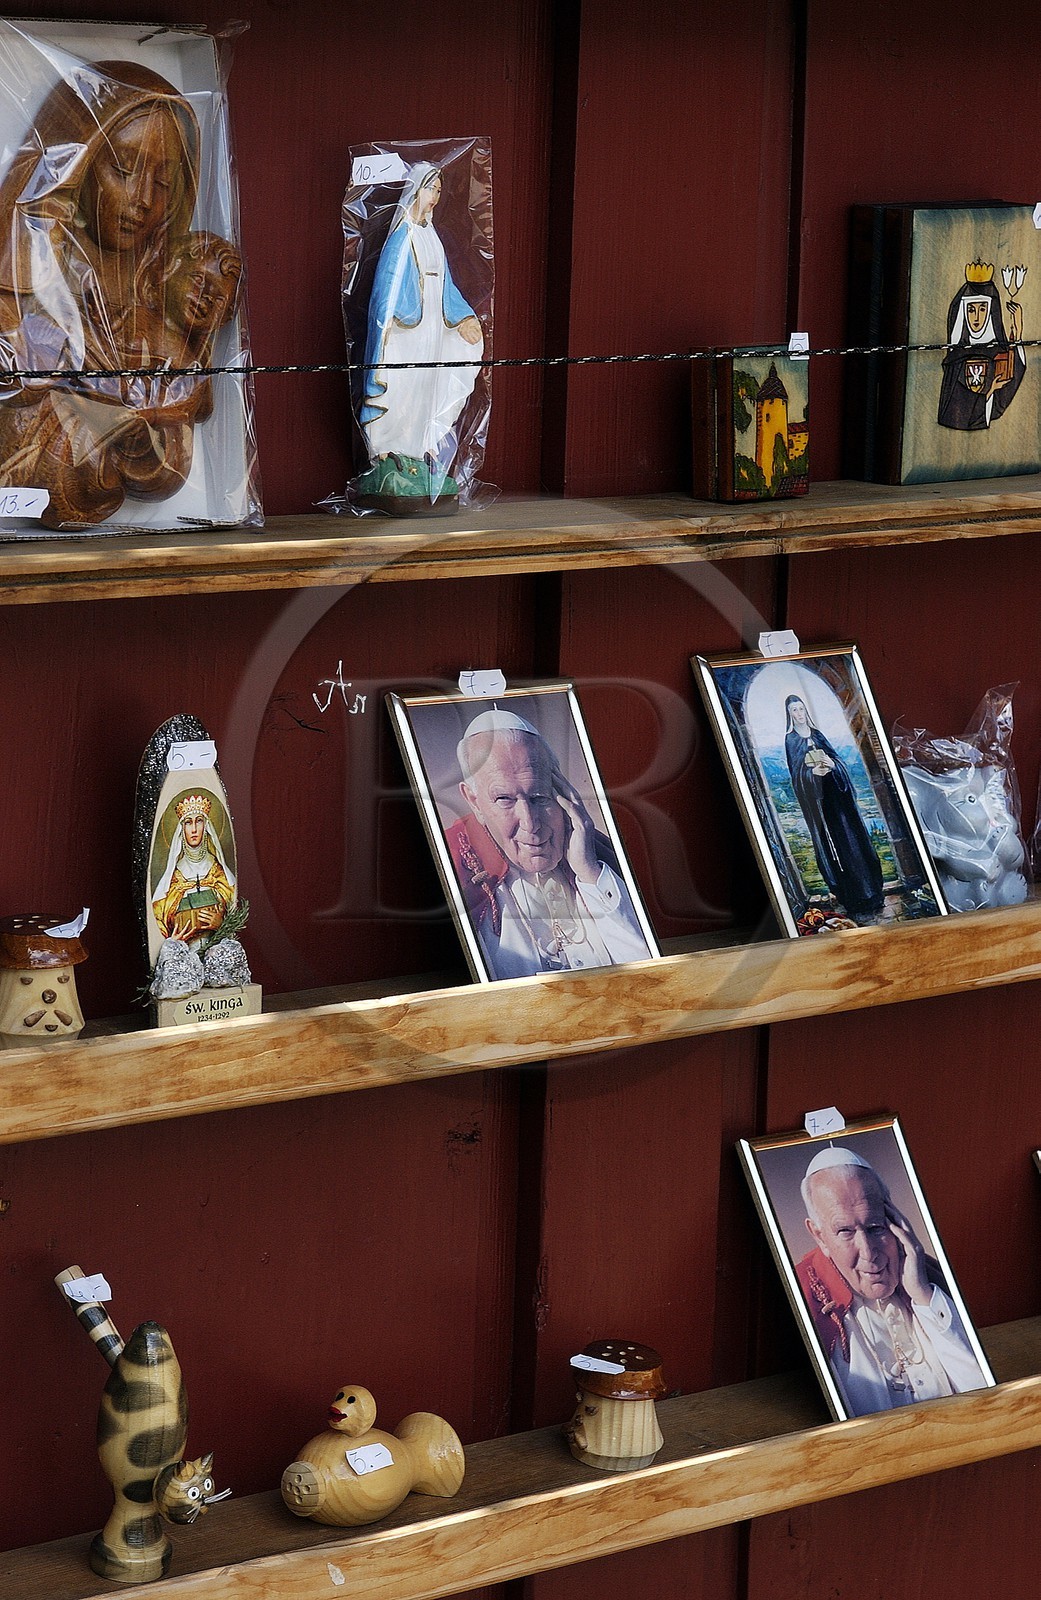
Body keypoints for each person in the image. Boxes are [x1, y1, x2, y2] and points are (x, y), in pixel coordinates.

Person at [0, 58, 238, 525]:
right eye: (123, 169)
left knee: (164, 457)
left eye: (164, 183)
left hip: (136, 452)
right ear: (79, 163)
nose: (143, 199)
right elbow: (19, 362)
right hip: (54, 456)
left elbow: (190, 384)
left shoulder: (157, 277)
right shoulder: (40, 257)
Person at [446, 709, 653, 980]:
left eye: (539, 796)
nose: (530, 823)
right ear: (473, 800)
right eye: (505, 799)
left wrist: (590, 873)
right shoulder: (453, 867)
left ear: (561, 791)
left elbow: (650, 974)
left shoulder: (599, 853)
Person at [796, 1146, 988, 1416]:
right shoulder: (805, 1301)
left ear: (895, 1221)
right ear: (818, 1235)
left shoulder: (930, 1277)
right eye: (845, 1232)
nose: (868, 1251)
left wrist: (922, 1295)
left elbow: (985, 1395)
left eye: (875, 1227)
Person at [358, 162, 483, 501]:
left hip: (430, 328)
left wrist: (465, 318)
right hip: (404, 331)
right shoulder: (403, 237)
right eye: (431, 190)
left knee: (423, 386)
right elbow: (386, 287)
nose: (435, 198)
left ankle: (414, 448)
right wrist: (384, 327)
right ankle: (385, 448)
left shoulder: (431, 236)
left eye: (439, 191)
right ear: (415, 190)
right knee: (399, 384)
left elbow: (445, 287)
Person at [783, 694, 885, 918]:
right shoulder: (791, 740)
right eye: (794, 711)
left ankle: (872, 894)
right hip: (821, 806)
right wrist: (812, 774)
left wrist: (832, 765)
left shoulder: (817, 734)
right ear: (789, 715)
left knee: (855, 844)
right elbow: (796, 776)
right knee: (836, 850)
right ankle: (852, 899)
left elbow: (838, 760)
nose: (799, 714)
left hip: (839, 801)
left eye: (801, 709)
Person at [937, 263, 1025, 432]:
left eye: (982, 309)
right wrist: (990, 390)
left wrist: (1018, 332)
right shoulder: (956, 357)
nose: (976, 317)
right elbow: (956, 411)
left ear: (991, 311)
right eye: (971, 310)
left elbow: (1011, 380)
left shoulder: (1000, 353)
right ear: (963, 312)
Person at [151, 794, 235, 944]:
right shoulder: (172, 880)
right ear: (182, 829)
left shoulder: (220, 874)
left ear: (206, 826)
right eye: (188, 823)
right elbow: (158, 925)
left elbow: (238, 921)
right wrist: (173, 942)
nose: (194, 829)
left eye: (199, 821)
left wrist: (221, 925)